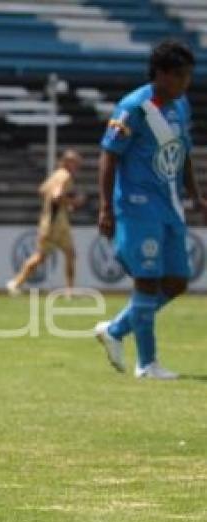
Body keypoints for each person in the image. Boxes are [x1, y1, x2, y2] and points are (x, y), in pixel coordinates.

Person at [94, 39, 207, 379]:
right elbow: (109, 155)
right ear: (160, 74)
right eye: (179, 76)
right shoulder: (134, 107)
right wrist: (105, 207)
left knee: (176, 281)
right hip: (137, 206)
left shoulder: (181, 105)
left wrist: (196, 196)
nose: (185, 82)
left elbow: (182, 153)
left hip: (169, 206)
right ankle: (148, 363)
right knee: (147, 280)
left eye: (188, 75)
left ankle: (115, 330)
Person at [7, 149, 86, 297]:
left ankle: (70, 291)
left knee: (69, 254)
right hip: (54, 222)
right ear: (68, 162)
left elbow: (43, 190)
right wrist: (73, 201)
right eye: (75, 162)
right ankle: (16, 283)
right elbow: (56, 196)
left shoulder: (56, 175)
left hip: (55, 220)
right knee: (41, 256)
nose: (78, 166)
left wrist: (61, 203)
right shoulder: (65, 176)